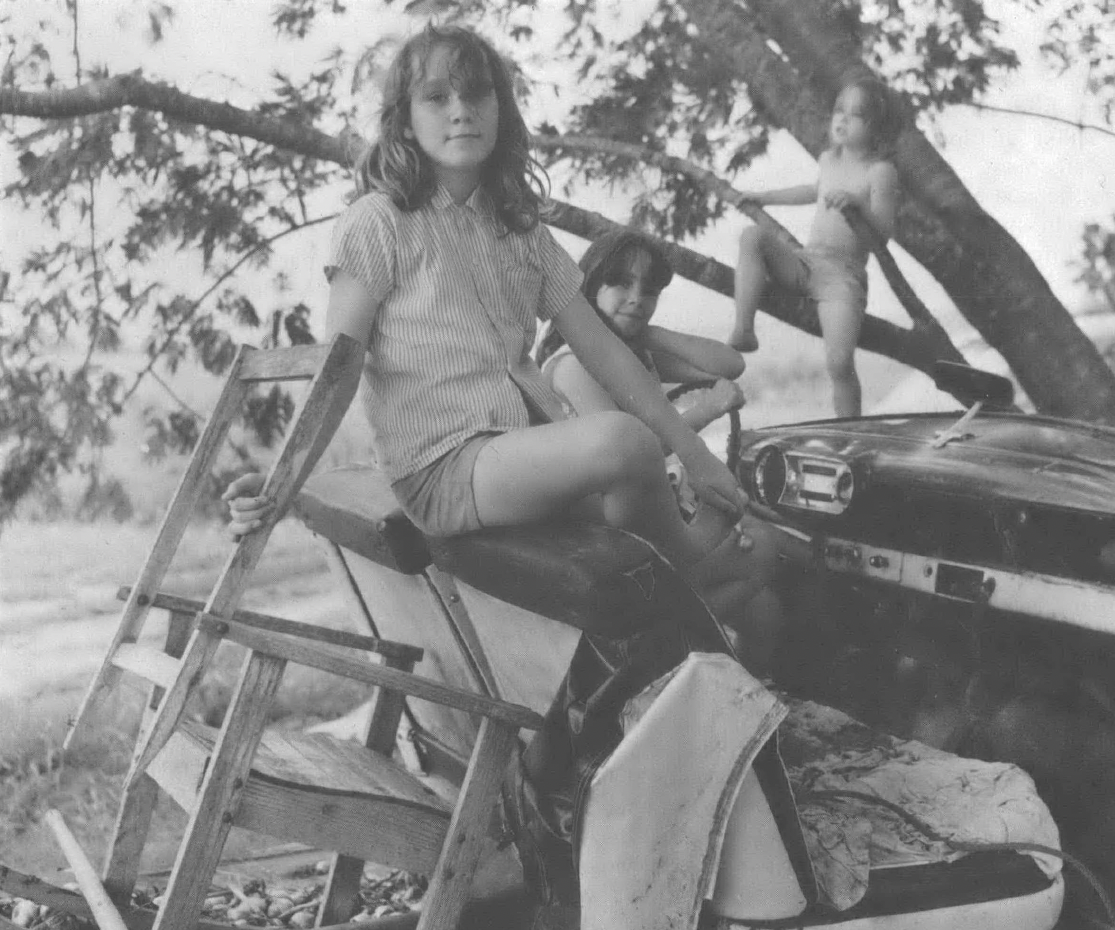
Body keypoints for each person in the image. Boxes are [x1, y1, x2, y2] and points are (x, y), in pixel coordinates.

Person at [224, 24, 756, 617]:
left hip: (519, 447)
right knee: (625, 443)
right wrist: (282, 483)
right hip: (442, 467)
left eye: (477, 95)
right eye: (437, 97)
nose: (461, 112)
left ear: (500, 109)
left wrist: (698, 453)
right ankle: (691, 578)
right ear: (403, 119)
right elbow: (339, 369)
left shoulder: (520, 229)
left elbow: (603, 350)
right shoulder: (378, 222)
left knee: (720, 534)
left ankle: (670, 604)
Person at [535, 229, 805, 668]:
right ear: (588, 285)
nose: (637, 297)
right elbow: (631, 450)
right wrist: (709, 408)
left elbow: (729, 363)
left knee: (765, 610)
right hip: (608, 525)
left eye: (650, 290)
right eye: (621, 282)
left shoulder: (630, 354)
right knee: (767, 549)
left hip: (651, 509)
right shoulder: (571, 363)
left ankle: (751, 689)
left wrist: (647, 331)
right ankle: (647, 651)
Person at [727, 70, 900, 419]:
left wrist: (858, 205)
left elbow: (883, 233)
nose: (843, 120)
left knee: (839, 363)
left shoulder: (881, 172)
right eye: (840, 111)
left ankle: (849, 431)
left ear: (878, 129)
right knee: (752, 237)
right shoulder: (829, 160)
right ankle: (744, 329)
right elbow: (811, 191)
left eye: (856, 115)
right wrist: (763, 197)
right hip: (807, 262)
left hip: (843, 277)